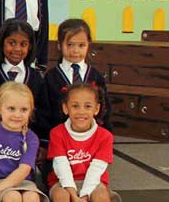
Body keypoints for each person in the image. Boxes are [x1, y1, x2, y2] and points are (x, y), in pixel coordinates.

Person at [47, 83, 124, 202]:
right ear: (65, 108)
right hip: (65, 182)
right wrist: (75, 199)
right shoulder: (57, 132)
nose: (81, 111)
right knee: (61, 197)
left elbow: (97, 169)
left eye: (87, 106)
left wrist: (85, 196)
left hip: (91, 181)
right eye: (75, 106)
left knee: (102, 198)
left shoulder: (105, 136)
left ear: (96, 109)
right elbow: (62, 168)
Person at [36, 18, 112, 146]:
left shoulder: (96, 76)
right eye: (70, 44)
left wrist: (104, 140)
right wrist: (45, 143)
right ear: (59, 45)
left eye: (81, 45)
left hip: (90, 142)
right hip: (59, 142)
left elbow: (105, 110)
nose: (75, 50)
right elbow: (43, 113)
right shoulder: (51, 77)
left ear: (88, 45)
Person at [0, 19, 44, 120]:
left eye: (23, 44)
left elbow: (39, 111)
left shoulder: (37, 78)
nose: (17, 49)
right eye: (11, 43)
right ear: (2, 43)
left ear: (30, 46)